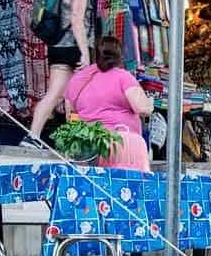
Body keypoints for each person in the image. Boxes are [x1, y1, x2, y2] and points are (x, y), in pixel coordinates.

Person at [22, 0, 99, 147]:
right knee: (80, 96)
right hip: (72, 48)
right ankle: (73, 141)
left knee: (57, 94)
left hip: (56, 46)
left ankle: (35, 135)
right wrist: (85, 53)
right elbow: (77, 21)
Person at [64, 36, 153, 171]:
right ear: (120, 55)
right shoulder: (123, 77)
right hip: (119, 144)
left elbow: (70, 117)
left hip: (86, 146)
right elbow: (141, 108)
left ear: (95, 54)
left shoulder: (77, 79)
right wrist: (150, 103)